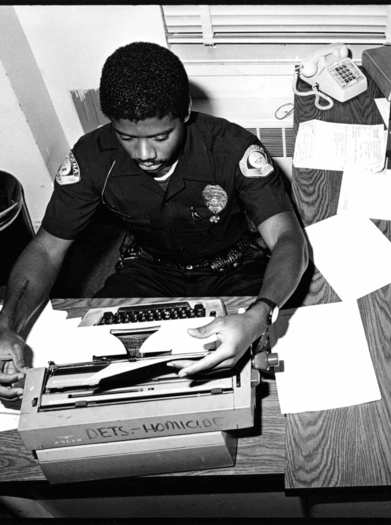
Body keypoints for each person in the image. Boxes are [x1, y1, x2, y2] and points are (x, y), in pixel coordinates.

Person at [0, 42, 308, 382]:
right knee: (89, 362)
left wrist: (260, 314)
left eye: (161, 136)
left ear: (186, 111)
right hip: (150, 268)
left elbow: (288, 238)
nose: (145, 153)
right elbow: (46, 249)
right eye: (127, 137)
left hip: (235, 266)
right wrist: (6, 326)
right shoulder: (92, 157)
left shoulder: (233, 149)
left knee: (255, 368)